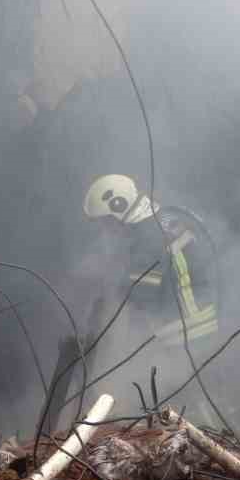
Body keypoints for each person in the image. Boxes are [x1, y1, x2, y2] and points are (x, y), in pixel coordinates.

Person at [81, 173, 221, 411]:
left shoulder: (145, 238)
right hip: (207, 317)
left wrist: (112, 295)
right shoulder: (171, 216)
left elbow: (141, 297)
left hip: (184, 330)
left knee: (188, 403)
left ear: (118, 208)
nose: (106, 230)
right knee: (209, 395)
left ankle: (211, 431)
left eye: (106, 222)